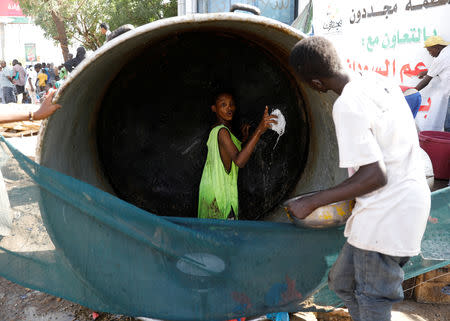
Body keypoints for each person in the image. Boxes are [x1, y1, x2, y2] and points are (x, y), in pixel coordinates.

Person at [288, 36, 430, 321]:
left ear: (316, 84)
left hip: (387, 211)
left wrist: (311, 201)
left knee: (372, 296)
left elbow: (374, 175)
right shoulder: (380, 82)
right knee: (343, 282)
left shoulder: (348, 104)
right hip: (403, 203)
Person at [197, 92, 277, 220]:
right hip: (220, 195)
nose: (229, 108)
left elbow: (229, 154)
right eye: (223, 105)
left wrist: (243, 141)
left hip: (211, 193)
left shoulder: (218, 130)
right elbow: (239, 161)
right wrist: (259, 131)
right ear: (214, 109)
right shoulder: (222, 132)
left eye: (231, 104)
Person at [415, 35, 450, 132]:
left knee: (448, 126)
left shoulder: (440, 58)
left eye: (430, 50)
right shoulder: (447, 53)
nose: (430, 54)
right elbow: (443, 70)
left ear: (437, 47)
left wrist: (413, 91)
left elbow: (426, 81)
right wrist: (427, 71)